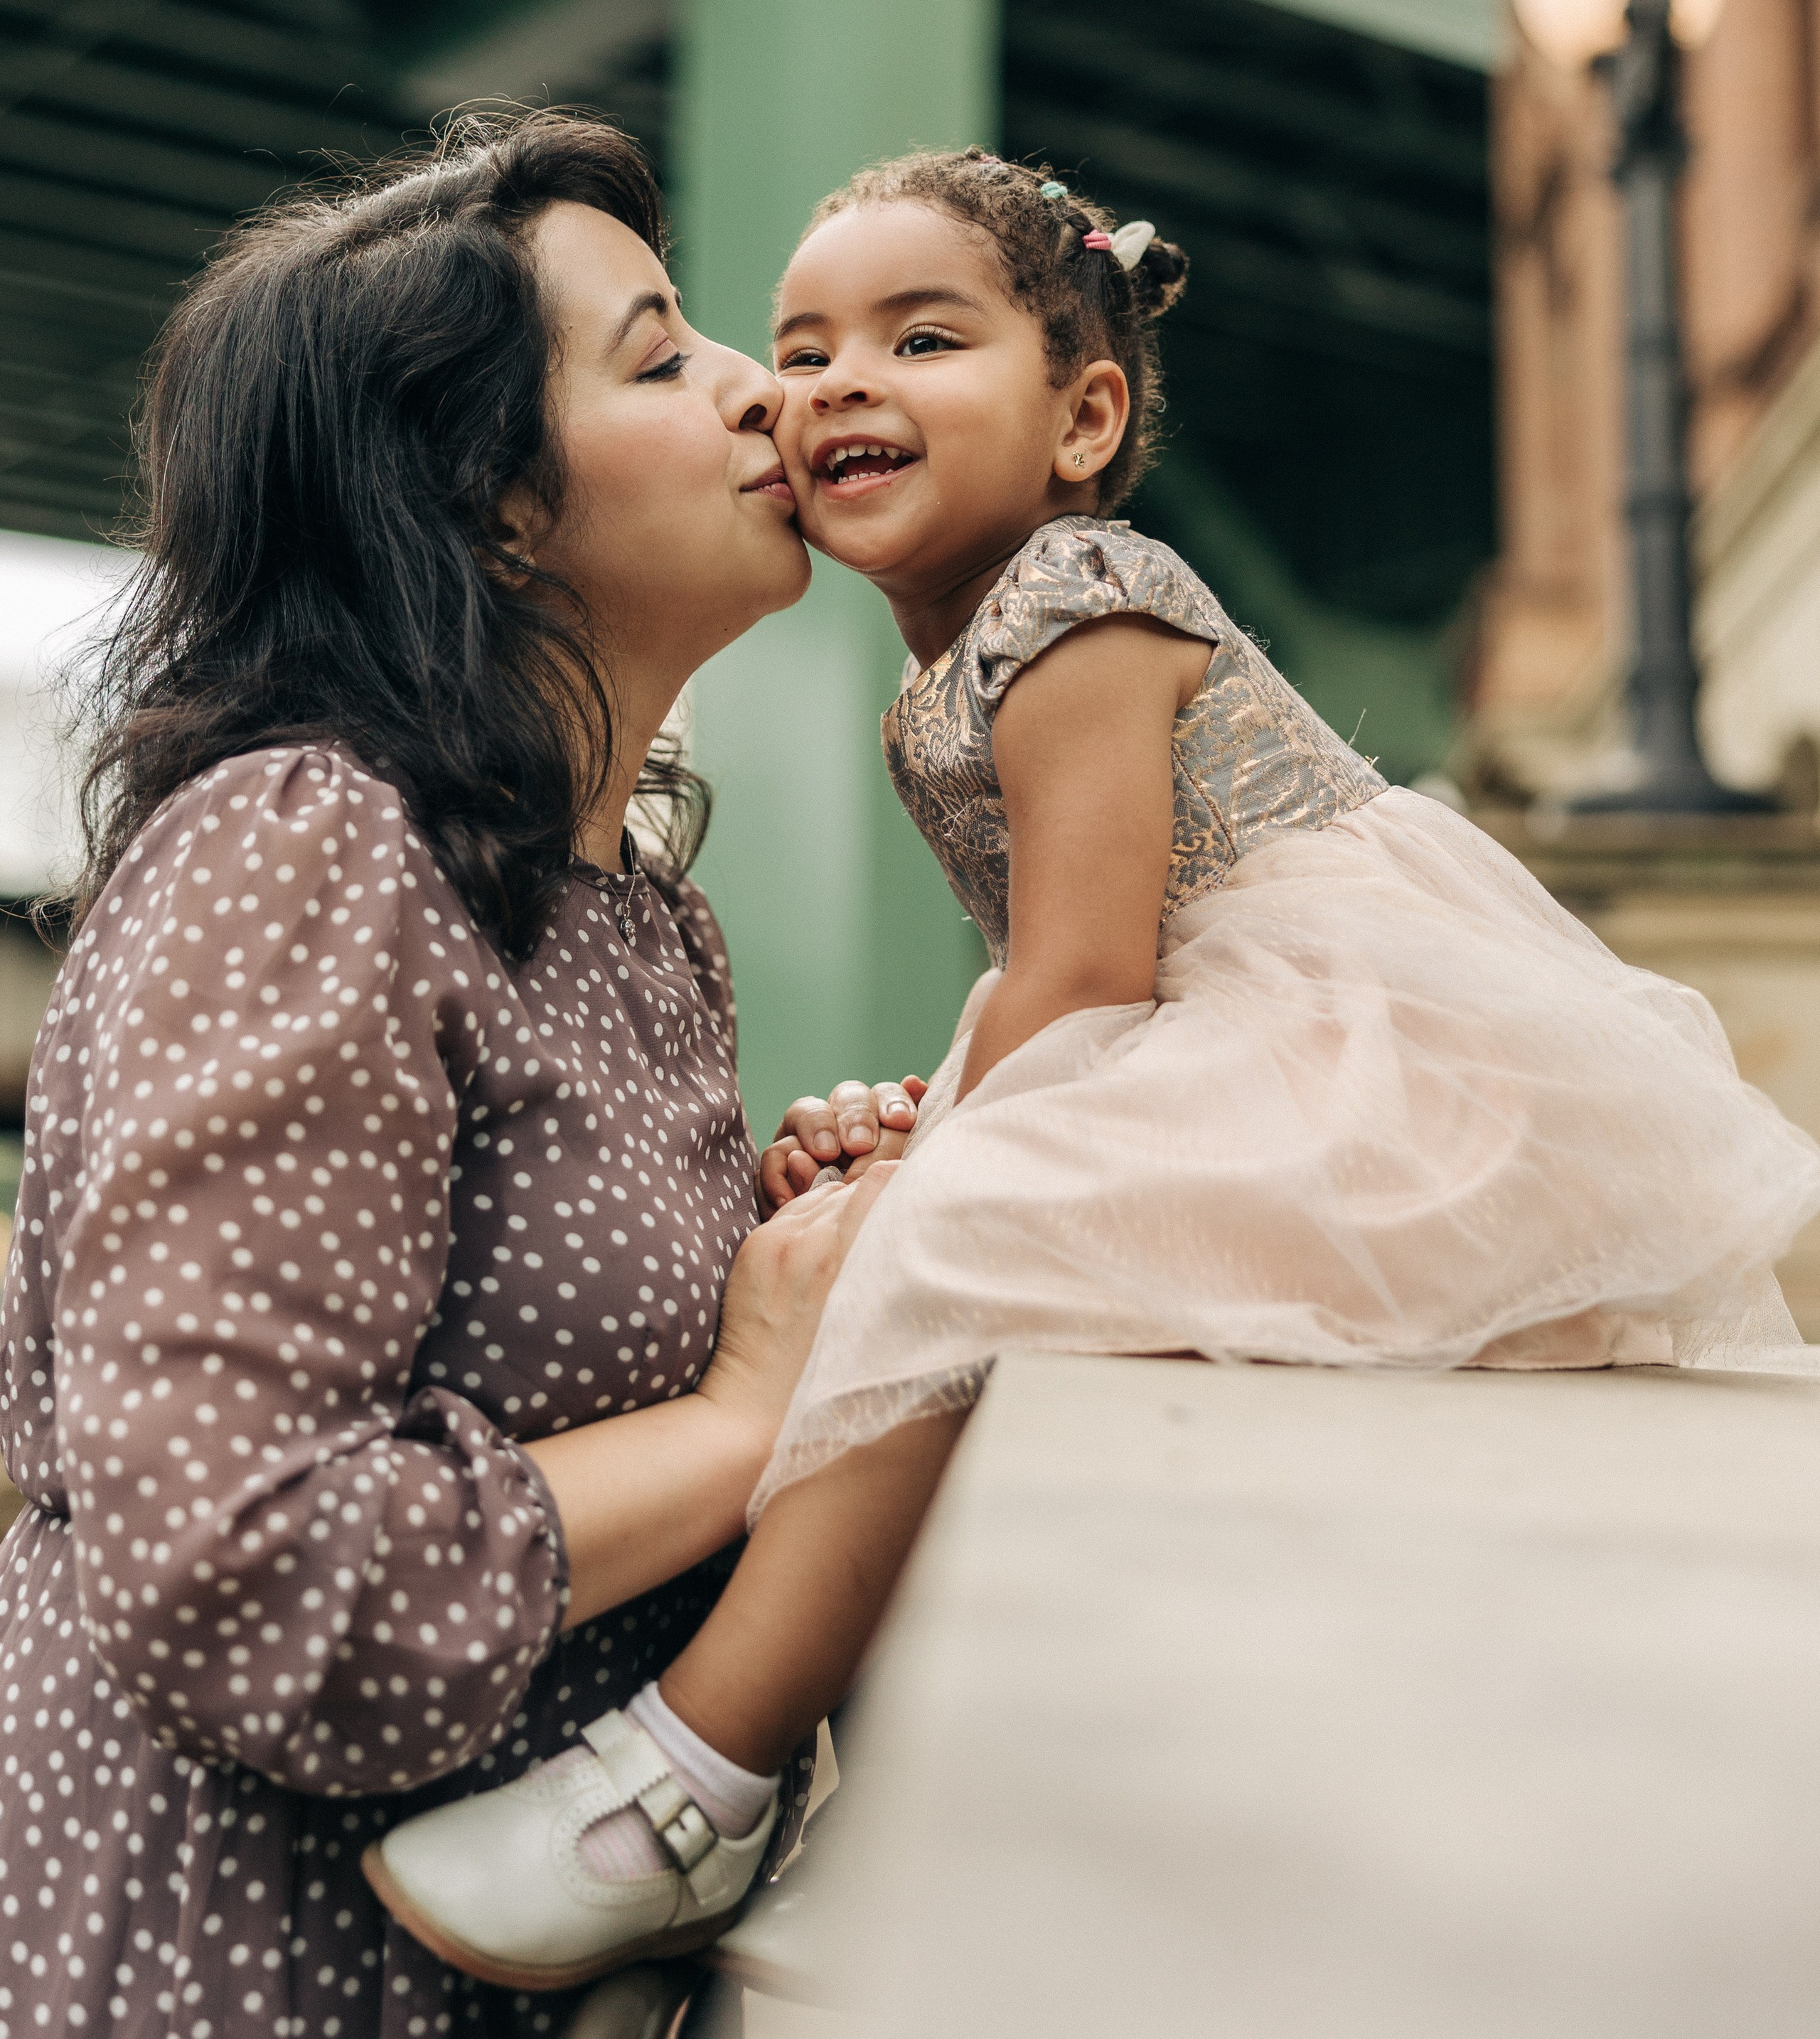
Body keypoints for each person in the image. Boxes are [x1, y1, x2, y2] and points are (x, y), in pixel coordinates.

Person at [370, 145, 1820, 1991]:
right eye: (803, 350)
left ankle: (692, 1778)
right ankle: (768, 1772)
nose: (835, 388)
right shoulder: (969, 652)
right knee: (956, 1225)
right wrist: (934, 1112)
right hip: (1231, 1023)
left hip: (1344, 1036)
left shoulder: (1079, 600)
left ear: (1087, 417)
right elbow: (1041, 984)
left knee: (955, 1252)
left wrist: (949, 1160)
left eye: (922, 336)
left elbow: (1078, 973)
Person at [0, 110, 902, 2039]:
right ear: (491, 509)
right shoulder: (302, 850)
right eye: (664, 358)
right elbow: (237, 1567)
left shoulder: (640, 923)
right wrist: (749, 1411)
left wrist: (785, 1243)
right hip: (247, 1973)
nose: (769, 395)